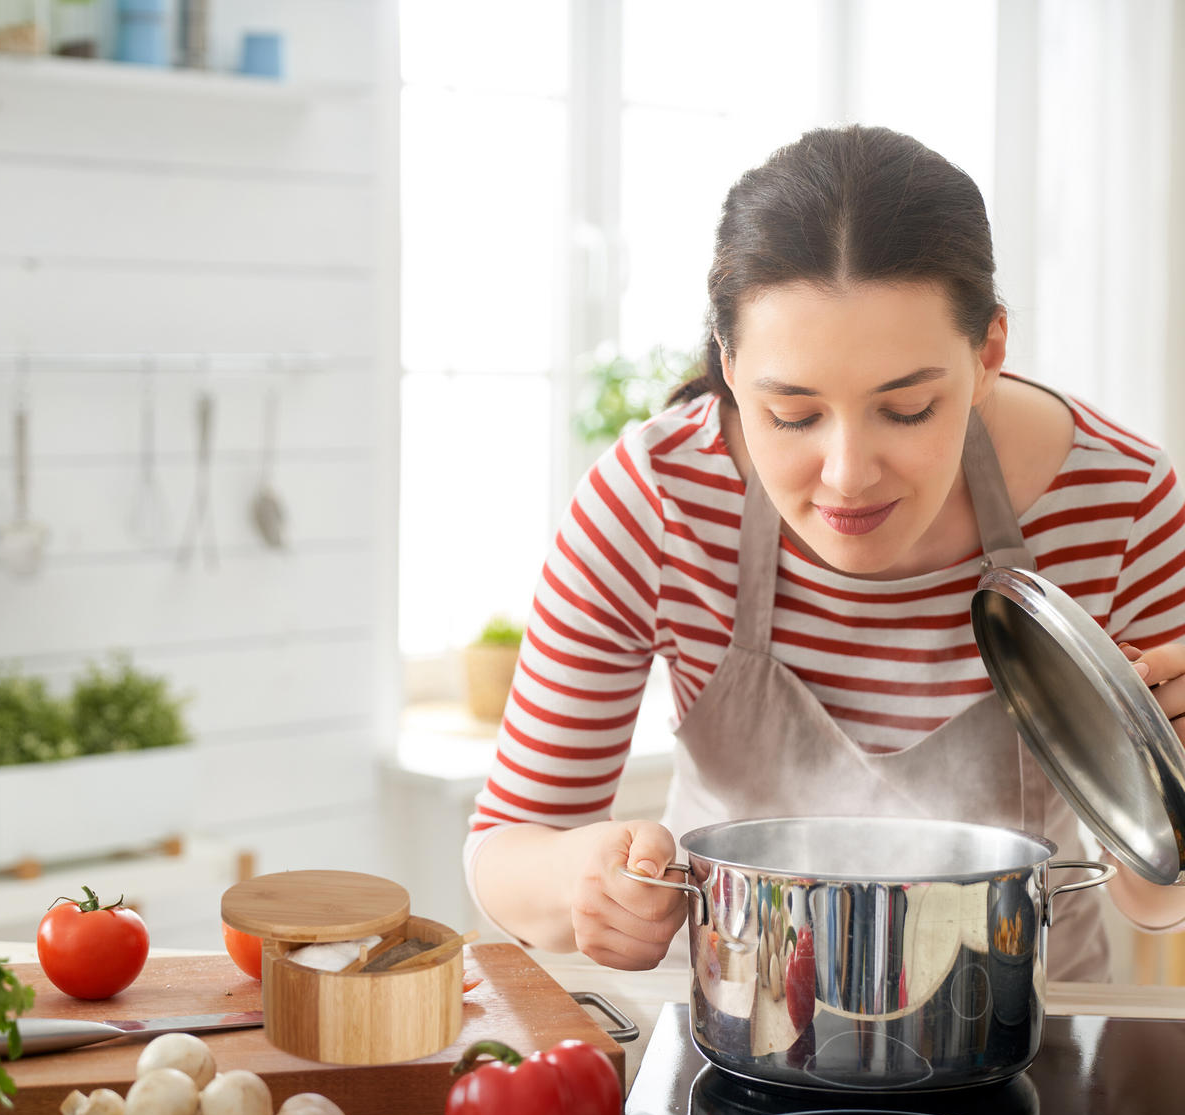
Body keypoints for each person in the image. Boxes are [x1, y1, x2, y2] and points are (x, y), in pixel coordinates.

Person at [462, 124, 1185, 981]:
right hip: (734, 1035)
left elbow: (1154, 893)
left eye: (908, 408)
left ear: (987, 354)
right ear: (729, 364)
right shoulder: (657, 501)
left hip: (1032, 1047)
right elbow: (508, 843)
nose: (847, 477)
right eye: (793, 415)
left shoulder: (1117, 502)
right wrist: (579, 883)